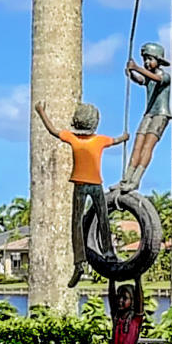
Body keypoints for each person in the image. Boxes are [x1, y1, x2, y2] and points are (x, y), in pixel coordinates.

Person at [34, 100, 127, 280]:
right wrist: (124, 137)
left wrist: (41, 112)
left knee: (77, 222)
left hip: (81, 185)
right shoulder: (100, 140)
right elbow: (116, 140)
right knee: (102, 218)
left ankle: (79, 262)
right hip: (95, 185)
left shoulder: (73, 138)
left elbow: (52, 130)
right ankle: (108, 253)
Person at [119, 44, 172, 192]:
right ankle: (126, 178)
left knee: (147, 146)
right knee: (137, 145)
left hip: (160, 114)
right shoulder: (149, 78)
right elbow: (141, 80)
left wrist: (136, 68)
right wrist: (131, 73)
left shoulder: (164, 76)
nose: (147, 62)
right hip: (148, 114)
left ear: (158, 61)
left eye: (150, 59)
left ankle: (136, 180)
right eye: (145, 60)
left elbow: (156, 78)